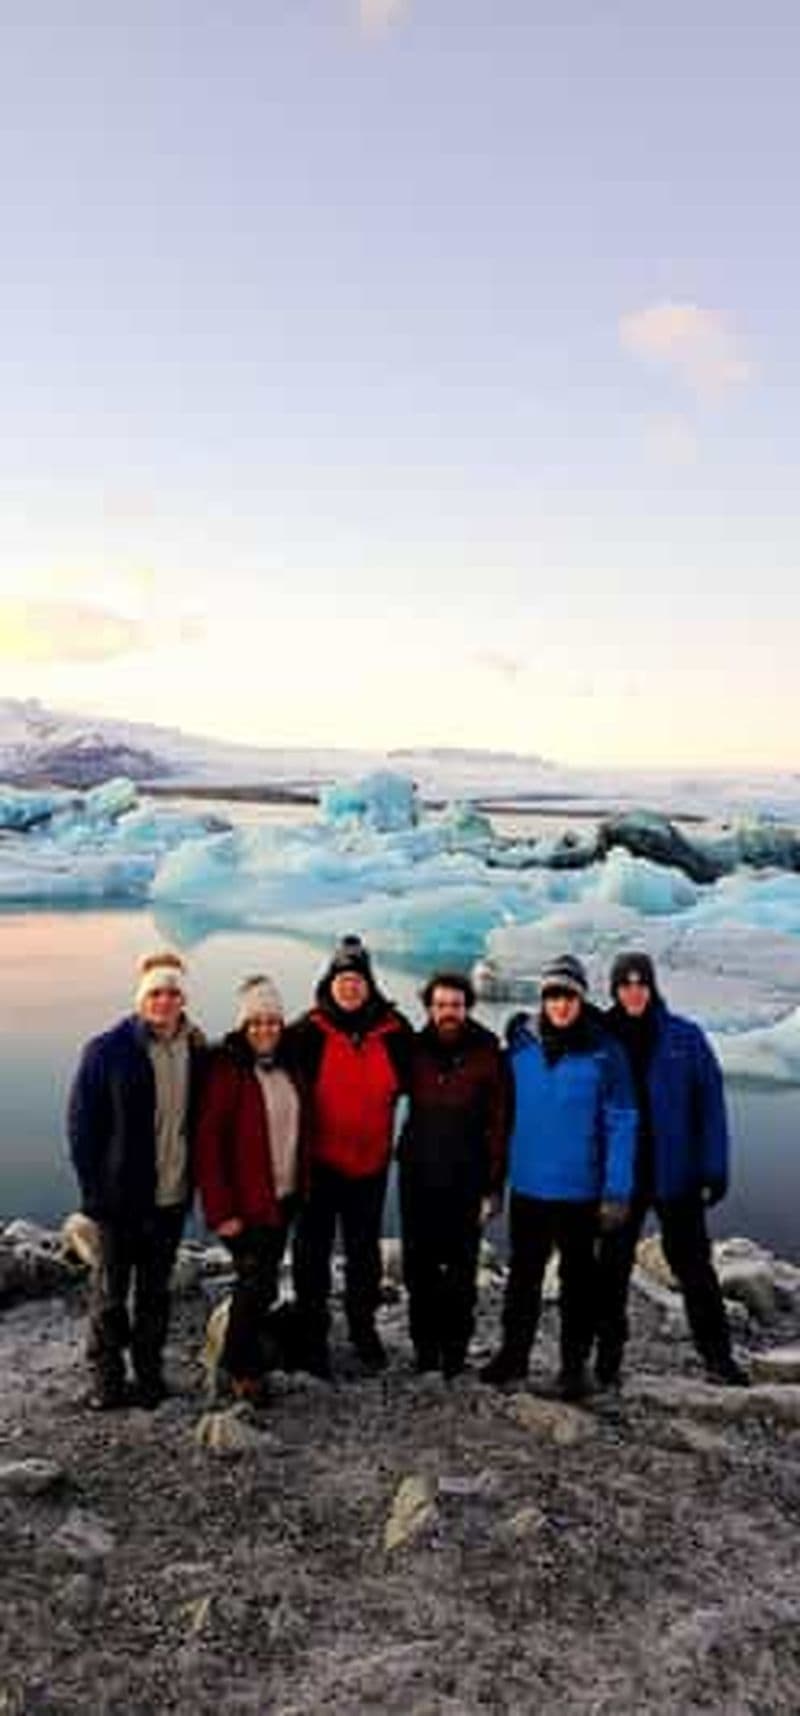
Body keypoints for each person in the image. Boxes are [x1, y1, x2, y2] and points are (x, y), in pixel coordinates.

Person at [480, 954, 636, 1400]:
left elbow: (623, 1120)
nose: (560, 1005)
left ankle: (573, 1367)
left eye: (568, 996)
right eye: (552, 996)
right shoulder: (522, 1046)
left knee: (577, 1281)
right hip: (528, 1184)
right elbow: (500, 1109)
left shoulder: (606, 1052)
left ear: (581, 999)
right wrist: (493, 1179)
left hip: (580, 1189)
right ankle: (513, 1356)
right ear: (542, 1000)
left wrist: (617, 1190)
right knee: (523, 1276)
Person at [594, 951, 748, 1389]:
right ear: (615, 989)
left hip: (675, 1172)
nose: (633, 992)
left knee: (694, 1267)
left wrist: (714, 1167)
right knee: (612, 1269)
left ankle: (718, 1357)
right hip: (622, 1178)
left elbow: (710, 1107)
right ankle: (607, 1362)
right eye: (625, 984)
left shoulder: (684, 1037)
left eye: (641, 983)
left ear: (652, 987)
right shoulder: (600, 1037)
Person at [67, 951, 206, 1409]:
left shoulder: (196, 1050)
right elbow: (83, 1128)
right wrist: (94, 1195)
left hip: (170, 1196)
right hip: (119, 1199)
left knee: (154, 1293)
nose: (164, 1001)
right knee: (109, 1294)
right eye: (156, 993)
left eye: (172, 993)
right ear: (142, 998)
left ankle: (149, 1377)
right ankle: (106, 1382)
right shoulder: (107, 1050)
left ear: (183, 998)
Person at [288, 934, 412, 1376]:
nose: (350, 987)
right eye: (342, 978)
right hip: (319, 1165)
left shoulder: (395, 1032)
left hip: (370, 1165)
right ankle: (312, 1336)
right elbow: (267, 1066)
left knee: (364, 1253)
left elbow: (428, 1077)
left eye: (357, 979)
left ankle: (363, 1329)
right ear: (330, 982)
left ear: (370, 984)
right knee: (311, 1253)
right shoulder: (308, 1031)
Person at [195, 975, 306, 1404]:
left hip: (282, 1198)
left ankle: (245, 1350)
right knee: (255, 1284)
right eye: (256, 1022)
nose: (265, 1029)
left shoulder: (287, 1064)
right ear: (243, 1025)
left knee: (262, 1283)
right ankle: (242, 1370)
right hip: (244, 1203)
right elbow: (209, 1144)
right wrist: (222, 1211)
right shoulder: (228, 1070)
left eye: (273, 1021)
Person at [398, 971, 510, 1378]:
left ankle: (455, 1352)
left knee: (462, 1272)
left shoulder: (486, 1052)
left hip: (467, 1177)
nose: (449, 1013)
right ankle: (425, 1350)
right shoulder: (413, 1048)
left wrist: (494, 1186)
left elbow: (499, 1122)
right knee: (418, 1268)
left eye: (456, 1006)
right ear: (429, 1007)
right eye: (441, 1005)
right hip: (419, 1175)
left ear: (467, 1008)